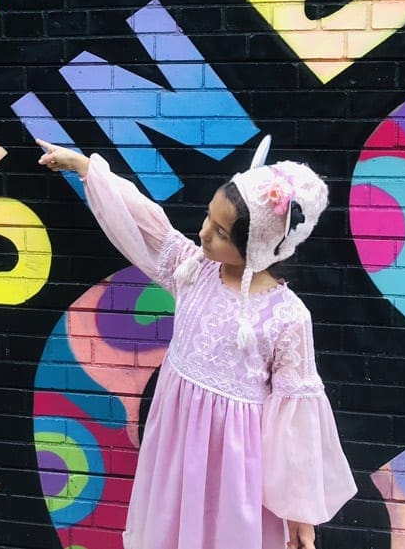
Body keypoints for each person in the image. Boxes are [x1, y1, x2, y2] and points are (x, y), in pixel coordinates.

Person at [36, 139, 356, 549]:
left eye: (220, 232)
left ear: (256, 245)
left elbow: (294, 423)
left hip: (235, 468)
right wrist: (86, 168)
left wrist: (299, 514)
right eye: (208, 217)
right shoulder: (194, 271)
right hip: (176, 446)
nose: (204, 233)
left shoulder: (287, 317)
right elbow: (148, 222)